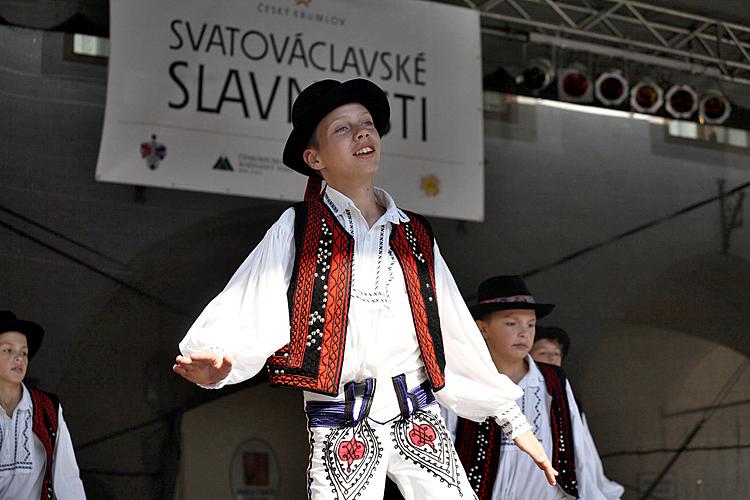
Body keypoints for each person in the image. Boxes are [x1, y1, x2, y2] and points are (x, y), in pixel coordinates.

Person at [173, 78, 557, 499]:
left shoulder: (414, 233)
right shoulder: (299, 226)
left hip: (417, 416)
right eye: (342, 128)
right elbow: (251, 296)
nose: (362, 133)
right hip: (341, 421)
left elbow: (452, 326)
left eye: (368, 123)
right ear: (313, 157)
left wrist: (513, 420)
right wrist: (221, 358)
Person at [442, 276, 618, 499]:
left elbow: (579, 448)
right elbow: (442, 447)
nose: (524, 333)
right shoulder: (464, 379)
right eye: (511, 323)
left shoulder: (553, 380)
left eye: (531, 324)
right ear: (482, 329)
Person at [0, 311, 86, 500]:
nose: (19, 358)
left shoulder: (47, 407)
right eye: (8, 350)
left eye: (24, 352)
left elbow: (68, 480)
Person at [531, 326, 624, 499]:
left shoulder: (569, 402)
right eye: (543, 353)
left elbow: (585, 453)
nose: (551, 358)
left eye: (557, 353)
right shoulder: (513, 395)